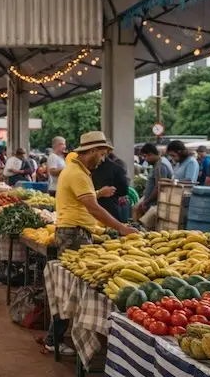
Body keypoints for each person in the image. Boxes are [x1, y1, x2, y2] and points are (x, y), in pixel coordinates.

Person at [44, 132, 134, 354]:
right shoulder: (77, 173)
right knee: (72, 288)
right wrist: (121, 228)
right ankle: (55, 339)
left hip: (74, 231)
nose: (102, 159)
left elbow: (87, 199)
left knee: (70, 286)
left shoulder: (77, 171)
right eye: (101, 154)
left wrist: (98, 194)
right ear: (92, 151)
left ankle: (57, 337)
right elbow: (93, 208)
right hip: (73, 233)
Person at [133, 143, 175, 226]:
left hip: (155, 204)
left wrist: (147, 201)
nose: (145, 160)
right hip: (151, 202)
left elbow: (159, 187)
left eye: (145, 156)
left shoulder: (160, 166)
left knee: (146, 225)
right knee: (136, 210)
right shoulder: (158, 163)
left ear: (150, 154)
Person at [92, 151, 130, 222]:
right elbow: (124, 190)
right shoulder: (117, 168)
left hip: (93, 212)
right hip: (110, 211)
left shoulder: (86, 169)